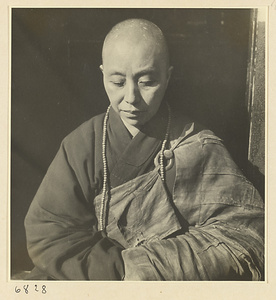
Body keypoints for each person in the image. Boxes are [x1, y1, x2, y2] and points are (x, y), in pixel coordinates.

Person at [24, 18, 264, 281]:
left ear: (168, 76)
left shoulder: (197, 144)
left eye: (146, 82)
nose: (131, 98)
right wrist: (120, 271)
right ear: (103, 74)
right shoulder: (83, 145)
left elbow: (245, 232)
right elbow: (48, 233)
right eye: (117, 82)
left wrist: (148, 269)